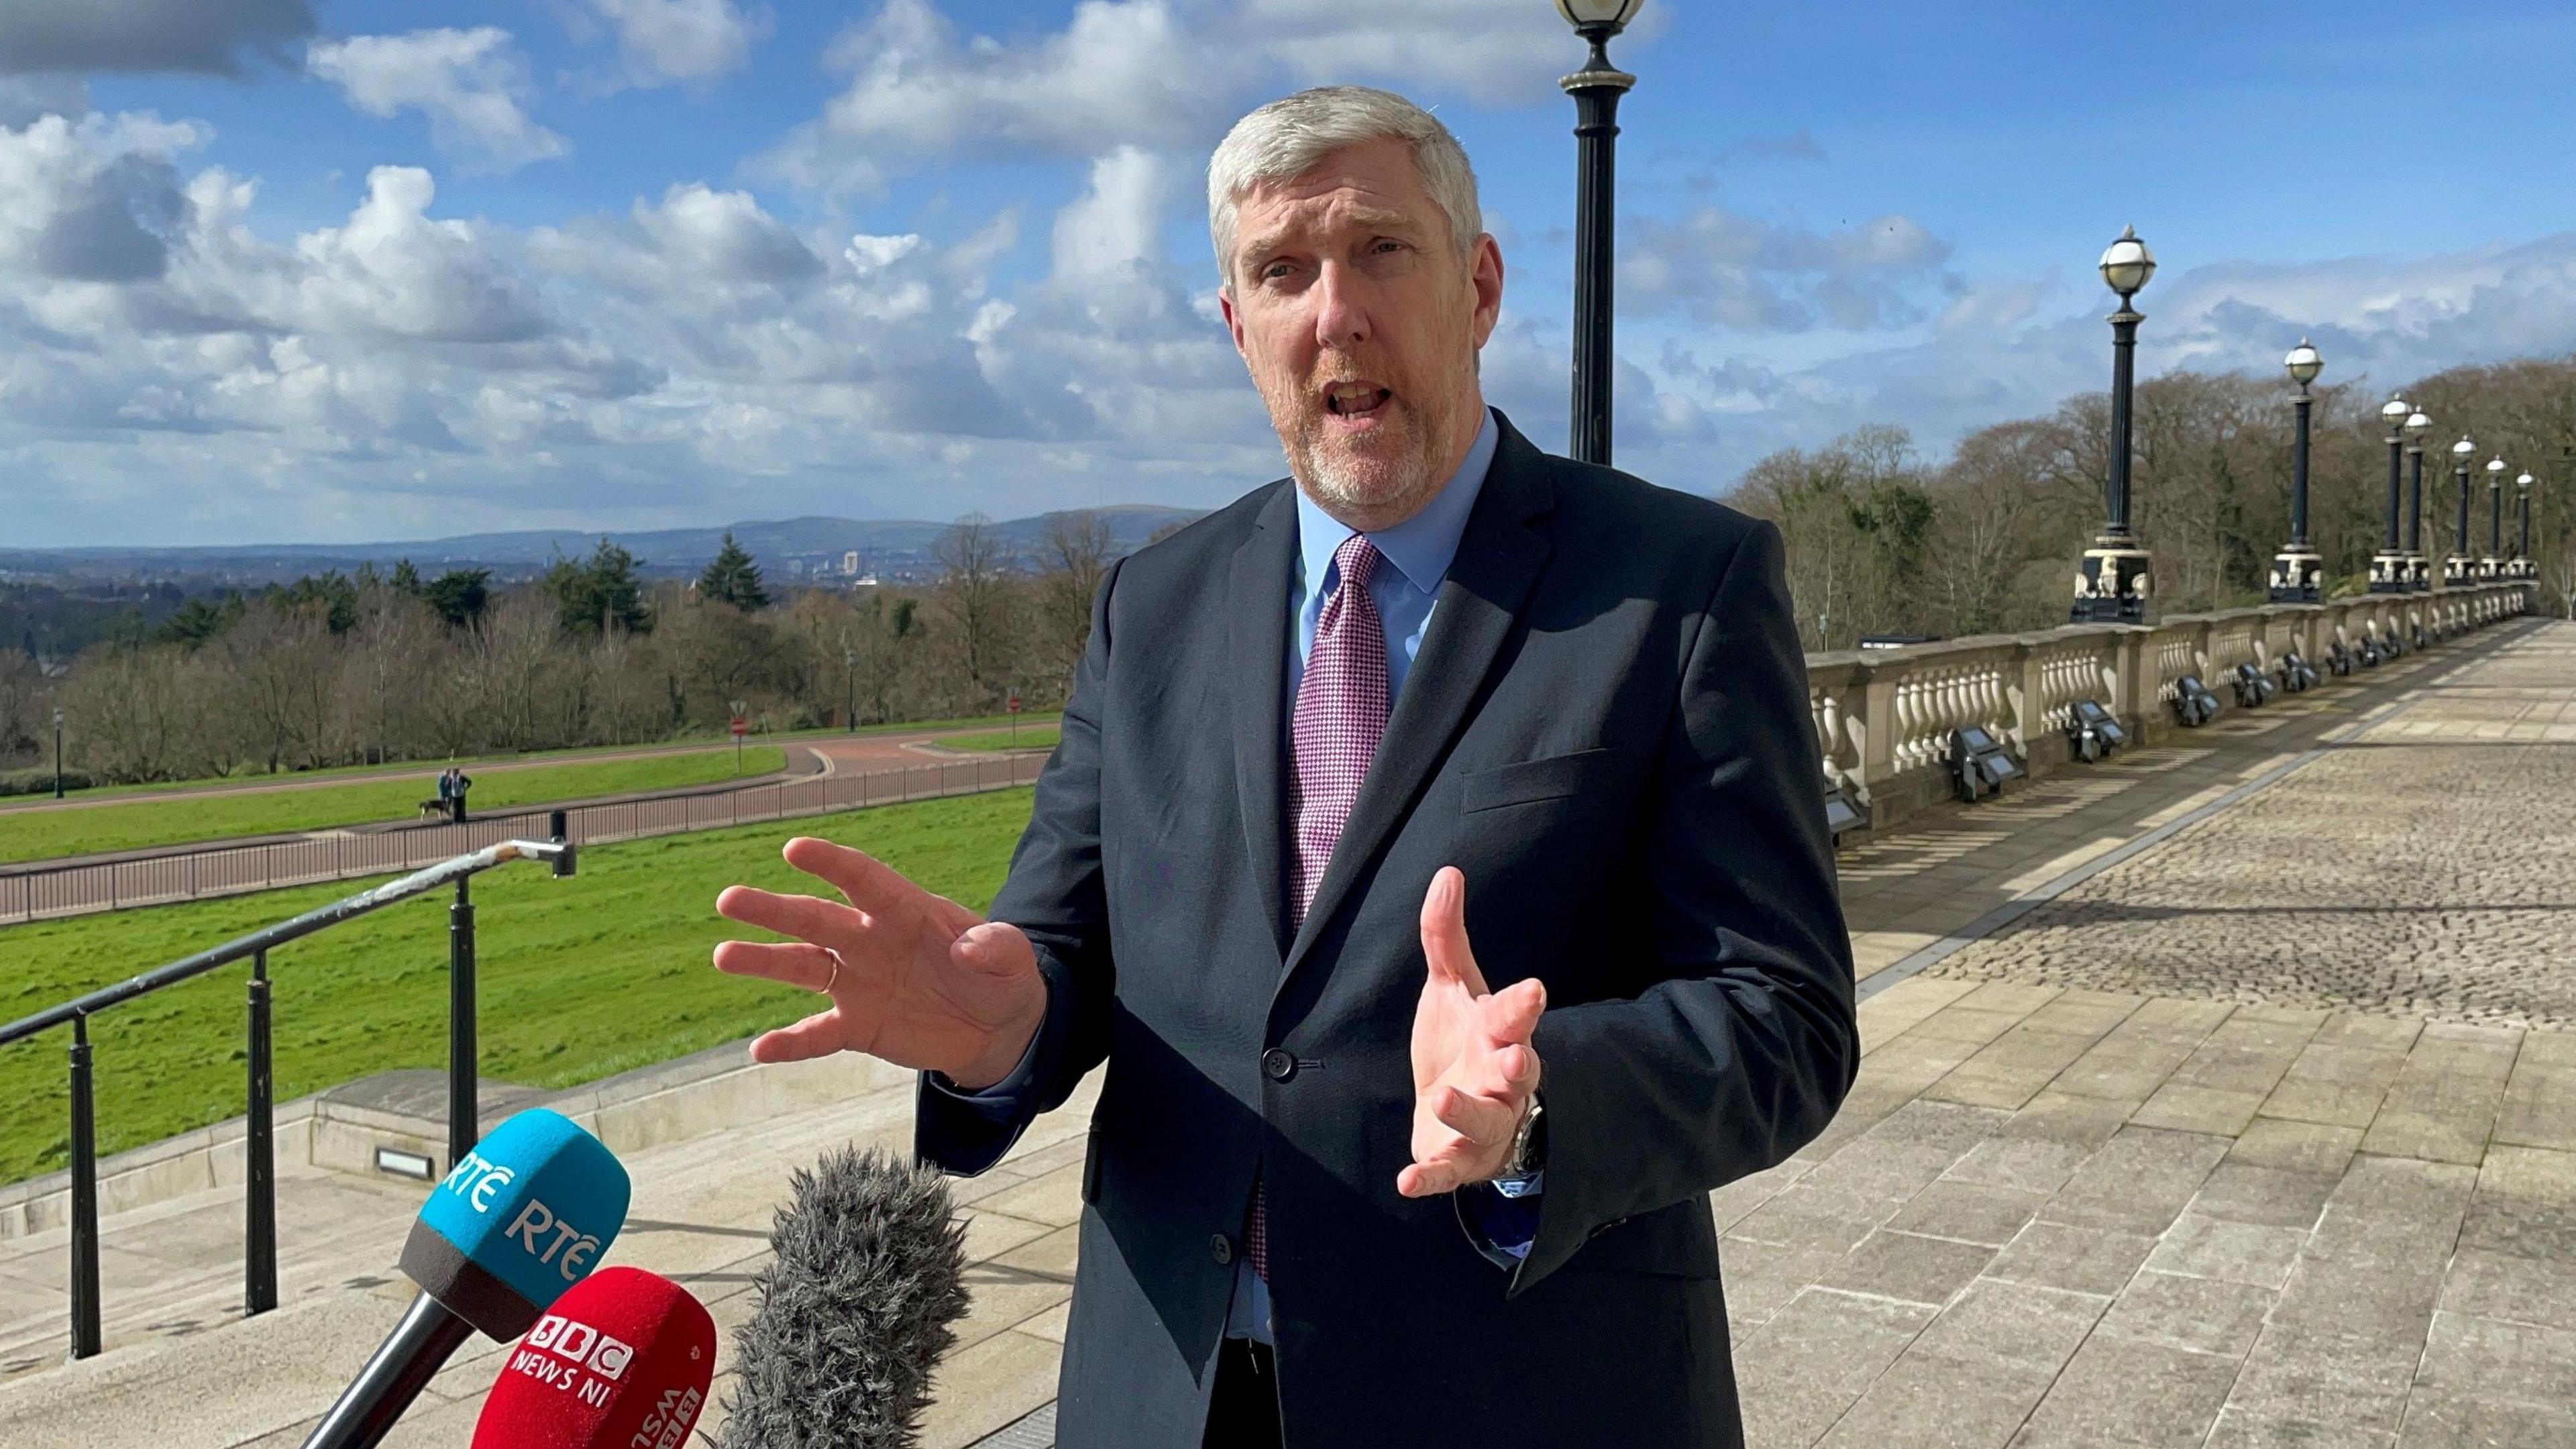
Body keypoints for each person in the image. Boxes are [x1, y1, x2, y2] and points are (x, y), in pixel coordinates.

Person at [712, 86, 1855, 1447]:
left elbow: (1784, 1015)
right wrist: (997, 1030)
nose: (1336, 313)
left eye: (1381, 249)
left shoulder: (1679, 587)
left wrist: (1541, 1095)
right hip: (1169, 1392)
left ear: (1478, 286)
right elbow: (1064, 950)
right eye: (1281, 271)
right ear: (1237, 324)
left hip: (1524, 1386)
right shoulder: (1153, 604)